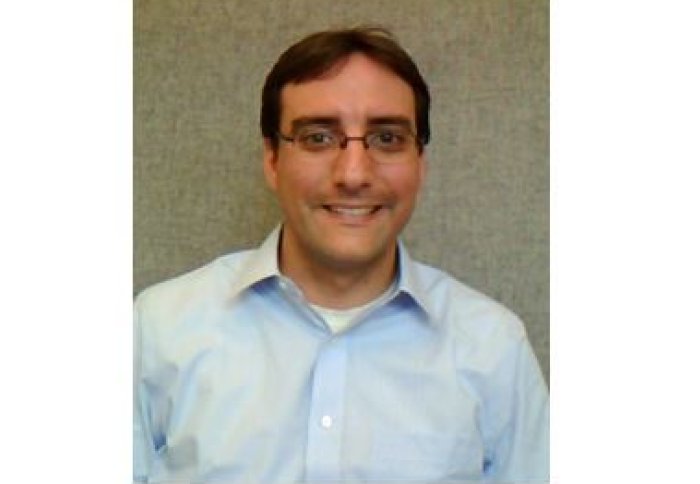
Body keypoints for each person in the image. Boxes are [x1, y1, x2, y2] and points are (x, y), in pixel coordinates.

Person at [134, 27, 549, 483]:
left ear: (420, 162)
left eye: (387, 138)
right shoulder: (157, 331)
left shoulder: (493, 348)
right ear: (272, 159)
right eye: (318, 137)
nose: (353, 174)